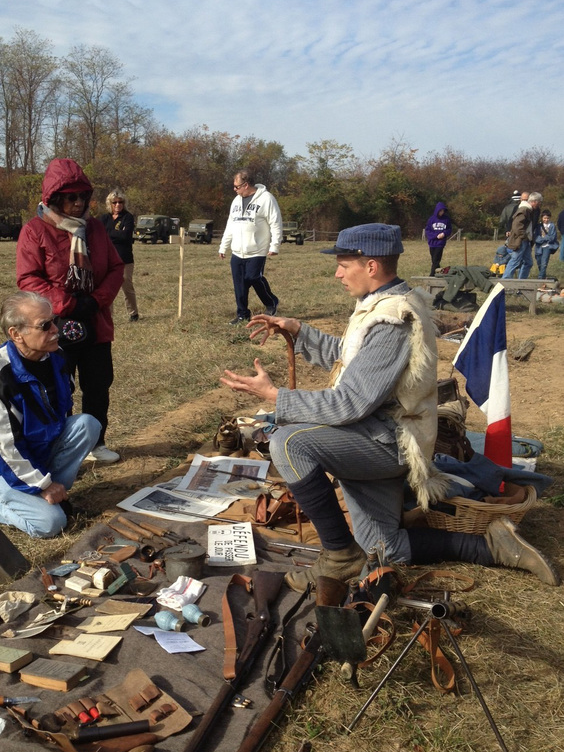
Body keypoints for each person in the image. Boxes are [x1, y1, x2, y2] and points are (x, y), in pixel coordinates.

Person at [221, 223, 559, 590]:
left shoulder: (392, 320)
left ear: (370, 267)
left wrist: (275, 397)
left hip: (388, 445)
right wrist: (299, 330)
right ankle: (492, 547)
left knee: (288, 442)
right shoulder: (383, 304)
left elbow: (350, 403)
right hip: (382, 437)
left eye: (343, 264)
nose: (337, 273)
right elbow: (354, 360)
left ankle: (338, 555)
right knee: (382, 549)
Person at [0, 292, 101, 538]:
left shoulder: (56, 356)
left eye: (54, 320)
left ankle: (45, 492)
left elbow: (62, 411)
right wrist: (42, 485)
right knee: (51, 524)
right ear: (16, 334)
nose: (55, 329)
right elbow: (1, 446)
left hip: (37, 451)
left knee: (87, 424)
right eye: (45, 326)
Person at [17, 158, 124, 463]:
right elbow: (28, 278)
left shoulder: (95, 229)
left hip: (95, 320)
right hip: (53, 325)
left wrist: (97, 300)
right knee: (57, 389)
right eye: (70, 197)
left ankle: (96, 443)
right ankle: (61, 449)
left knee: (98, 383)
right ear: (54, 198)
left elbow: (116, 267)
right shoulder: (35, 231)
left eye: (83, 197)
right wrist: (69, 303)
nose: (78, 203)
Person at [218, 169, 282, 325]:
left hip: (257, 250)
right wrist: (223, 246)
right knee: (239, 283)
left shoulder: (266, 199)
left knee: (253, 277)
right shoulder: (236, 201)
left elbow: (276, 223)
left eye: (236, 186)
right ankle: (242, 314)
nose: (234, 189)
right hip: (237, 251)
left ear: (246, 185)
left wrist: (275, 245)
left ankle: (271, 302)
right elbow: (230, 225)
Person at [101, 188, 139, 322]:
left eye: (120, 202)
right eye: (114, 202)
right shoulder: (104, 218)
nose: (118, 205)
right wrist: (116, 233)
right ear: (110, 204)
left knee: (127, 286)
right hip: (107, 259)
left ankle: (133, 313)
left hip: (125, 259)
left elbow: (126, 236)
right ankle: (108, 316)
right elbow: (100, 236)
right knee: (108, 288)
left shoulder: (127, 217)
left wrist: (109, 233)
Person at [503, 192, 541, 279]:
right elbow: (516, 225)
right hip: (521, 240)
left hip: (525, 240)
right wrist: (524, 236)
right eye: (539, 202)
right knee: (515, 261)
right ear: (534, 201)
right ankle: (505, 281)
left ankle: (521, 283)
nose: (539, 205)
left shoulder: (529, 210)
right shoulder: (524, 210)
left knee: (528, 263)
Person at [424, 201, 452, 276]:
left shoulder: (446, 219)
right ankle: (440, 272)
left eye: (443, 211)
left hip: (440, 243)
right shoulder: (431, 219)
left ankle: (432, 275)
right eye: (440, 211)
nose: (441, 213)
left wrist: (444, 233)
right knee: (434, 260)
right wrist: (436, 236)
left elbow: (449, 229)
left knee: (436, 260)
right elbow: (428, 231)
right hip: (432, 243)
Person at [534, 209, 559, 279]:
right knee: (539, 262)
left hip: (547, 246)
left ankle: (540, 278)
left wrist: (543, 239)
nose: (546, 219)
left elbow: (553, 237)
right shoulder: (538, 226)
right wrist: (545, 238)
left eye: (548, 218)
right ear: (542, 218)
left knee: (544, 263)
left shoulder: (552, 226)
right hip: (539, 247)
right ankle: (543, 276)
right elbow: (536, 237)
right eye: (545, 218)